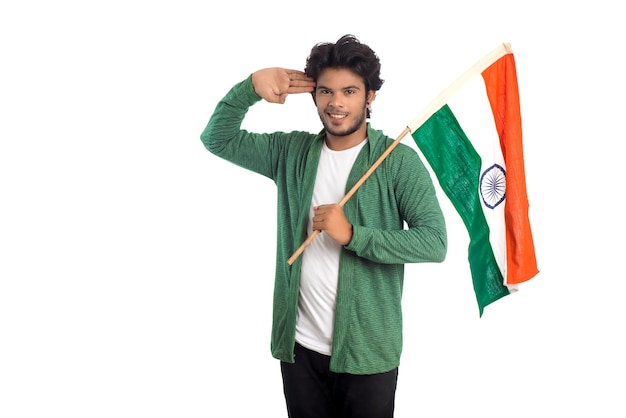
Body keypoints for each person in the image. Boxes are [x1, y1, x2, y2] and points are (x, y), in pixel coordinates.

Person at [201, 34, 447, 418]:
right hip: (299, 348)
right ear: (313, 95)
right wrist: (249, 87)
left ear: (369, 97)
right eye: (325, 91)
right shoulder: (291, 152)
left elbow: (434, 242)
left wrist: (352, 235)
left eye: (349, 91)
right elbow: (217, 138)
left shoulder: (397, 162)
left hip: (369, 353)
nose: (336, 103)